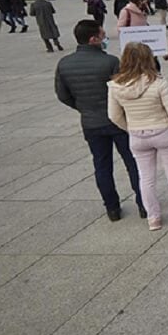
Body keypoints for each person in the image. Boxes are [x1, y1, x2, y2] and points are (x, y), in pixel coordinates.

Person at [55, 20, 144, 222]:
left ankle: (112, 208)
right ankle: (143, 204)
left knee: (102, 165)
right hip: (118, 122)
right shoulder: (110, 62)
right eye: (103, 36)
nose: (105, 39)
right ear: (93, 39)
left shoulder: (64, 64)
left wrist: (83, 107)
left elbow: (62, 95)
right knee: (132, 162)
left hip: (90, 123)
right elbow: (125, 90)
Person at [107, 42, 168, 231]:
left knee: (146, 178)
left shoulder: (115, 86)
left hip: (138, 134)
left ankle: (153, 218)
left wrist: (130, 128)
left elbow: (114, 116)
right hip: (163, 130)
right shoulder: (158, 82)